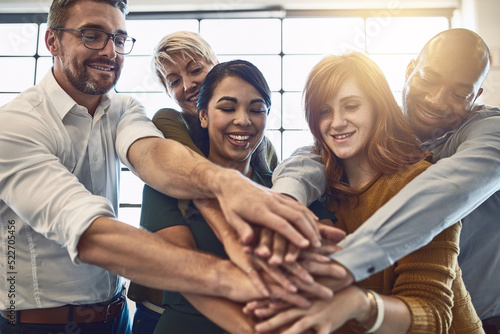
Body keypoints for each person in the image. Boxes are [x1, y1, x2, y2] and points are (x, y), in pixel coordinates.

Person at [0, 1, 324, 333]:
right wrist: (231, 273)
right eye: (92, 35)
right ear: (52, 41)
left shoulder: (122, 109)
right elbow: (87, 232)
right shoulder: (14, 125)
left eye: (120, 39)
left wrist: (246, 190)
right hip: (36, 323)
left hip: (115, 319)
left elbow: (152, 155)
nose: (111, 51)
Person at [269, 28, 500, 332]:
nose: (436, 100)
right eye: (429, 80)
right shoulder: (380, 133)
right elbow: (313, 155)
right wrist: (283, 206)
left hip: (480, 313)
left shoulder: (487, 133)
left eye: (460, 94)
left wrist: (344, 266)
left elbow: (444, 190)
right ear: (409, 70)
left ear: (476, 96)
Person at [127, 31, 282, 332]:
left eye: (195, 69)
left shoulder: (261, 148)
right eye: (173, 81)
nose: (187, 84)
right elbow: (197, 182)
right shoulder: (169, 124)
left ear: (216, 65)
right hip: (162, 308)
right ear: (203, 116)